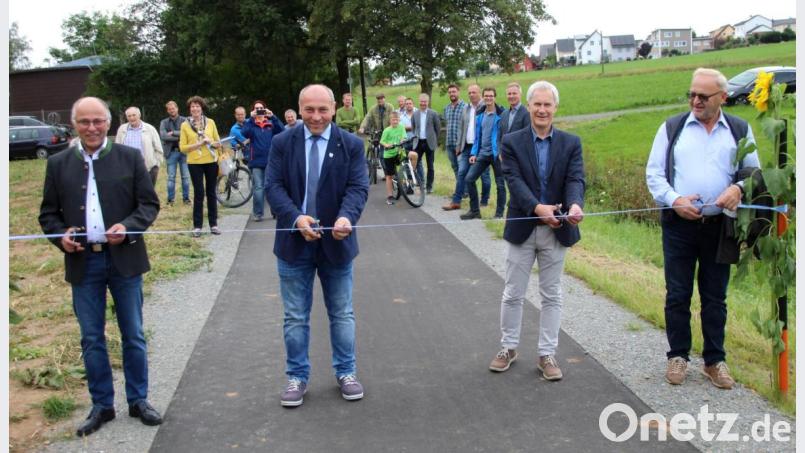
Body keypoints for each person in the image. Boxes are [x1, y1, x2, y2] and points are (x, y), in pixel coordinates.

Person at [39, 96, 162, 437]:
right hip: (83, 261)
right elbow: (48, 214)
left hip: (124, 260)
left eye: (97, 121)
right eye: (84, 122)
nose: (91, 128)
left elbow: (149, 205)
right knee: (92, 338)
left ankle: (138, 400)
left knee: (133, 335)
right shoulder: (58, 163)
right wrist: (58, 236)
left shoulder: (129, 157)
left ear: (109, 123)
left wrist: (129, 226)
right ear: (74, 124)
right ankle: (102, 405)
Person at [645, 68, 760, 390]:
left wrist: (738, 188)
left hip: (720, 227)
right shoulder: (673, 128)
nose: (695, 100)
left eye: (703, 96)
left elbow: (753, 171)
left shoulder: (738, 129)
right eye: (692, 94)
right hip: (679, 226)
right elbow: (655, 175)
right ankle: (678, 356)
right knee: (678, 294)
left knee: (715, 297)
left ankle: (714, 360)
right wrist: (675, 200)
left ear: (722, 98)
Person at [266, 84, 369, 407]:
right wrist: (296, 218)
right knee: (295, 316)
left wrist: (346, 218)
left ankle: (346, 372)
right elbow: (273, 186)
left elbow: (358, 187)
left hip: (336, 244)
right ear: (299, 108)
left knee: (341, 313)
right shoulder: (283, 142)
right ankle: (296, 377)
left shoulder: (351, 144)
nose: (316, 117)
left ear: (334, 108)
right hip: (294, 244)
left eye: (322, 110)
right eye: (309, 110)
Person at [490, 81, 585, 381]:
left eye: (547, 104)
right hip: (523, 227)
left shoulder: (571, 143)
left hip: (557, 229)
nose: (542, 110)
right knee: (513, 293)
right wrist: (538, 209)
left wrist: (574, 205)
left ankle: (547, 354)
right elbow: (513, 182)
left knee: (552, 294)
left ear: (555, 108)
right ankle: (508, 348)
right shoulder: (512, 141)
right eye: (537, 104)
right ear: (529, 107)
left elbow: (575, 179)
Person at [179, 95, 224, 237]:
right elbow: (182, 147)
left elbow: (218, 143)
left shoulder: (210, 122)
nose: (195, 109)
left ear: (201, 107)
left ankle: (214, 224)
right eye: (192, 106)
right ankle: (197, 226)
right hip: (194, 163)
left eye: (197, 106)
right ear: (189, 109)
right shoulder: (185, 125)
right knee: (199, 193)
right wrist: (198, 144)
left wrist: (210, 141)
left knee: (211, 193)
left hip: (211, 161)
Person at [459, 87, 507, 220]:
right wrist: (474, 153)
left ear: (495, 97)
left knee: (500, 184)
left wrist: (503, 151)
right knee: (469, 179)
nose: (488, 98)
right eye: (486, 96)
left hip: (497, 155)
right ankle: (475, 211)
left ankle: (499, 214)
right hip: (483, 154)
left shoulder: (502, 114)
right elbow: (477, 137)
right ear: (483, 97)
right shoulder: (480, 114)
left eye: (491, 96)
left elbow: (505, 135)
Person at [445, 83, 491, 211]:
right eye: (469, 93)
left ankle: (484, 200)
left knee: (484, 175)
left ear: (480, 93)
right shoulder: (466, 108)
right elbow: (461, 128)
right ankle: (456, 201)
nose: (471, 95)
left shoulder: (486, 107)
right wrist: (459, 146)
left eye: (474, 92)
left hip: (481, 147)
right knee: (461, 173)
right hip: (466, 147)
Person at [241, 100, 285, 222]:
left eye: (261, 108)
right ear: (253, 110)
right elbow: (244, 133)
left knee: (271, 187)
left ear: (265, 109)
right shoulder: (251, 123)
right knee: (258, 188)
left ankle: (275, 212)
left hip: (271, 161)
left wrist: (273, 116)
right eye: (257, 108)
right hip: (256, 161)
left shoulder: (270, 122)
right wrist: (251, 118)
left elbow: (282, 131)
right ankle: (258, 213)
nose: (259, 110)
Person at [115, 106, 163, 186]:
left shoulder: (150, 129)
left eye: (134, 115)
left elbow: (158, 149)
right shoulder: (122, 129)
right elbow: (117, 149)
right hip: (127, 169)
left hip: (147, 168)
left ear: (139, 115)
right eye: (129, 116)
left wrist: (155, 165)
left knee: (147, 195)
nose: (132, 118)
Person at [380, 110, 417, 205]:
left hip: (399, 152)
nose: (395, 121)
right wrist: (387, 145)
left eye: (397, 120)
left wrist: (403, 140)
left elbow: (403, 137)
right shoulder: (387, 130)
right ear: (390, 120)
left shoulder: (401, 128)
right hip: (389, 155)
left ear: (399, 120)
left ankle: (411, 173)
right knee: (389, 176)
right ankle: (390, 195)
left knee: (414, 155)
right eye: (393, 120)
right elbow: (382, 141)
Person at [160, 101, 190, 205]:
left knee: (185, 177)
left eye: (173, 108)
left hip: (184, 152)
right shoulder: (163, 122)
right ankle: (170, 200)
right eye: (169, 109)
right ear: (167, 110)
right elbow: (163, 136)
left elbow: (188, 134)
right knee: (171, 178)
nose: (172, 110)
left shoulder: (185, 120)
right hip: (171, 153)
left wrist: (173, 133)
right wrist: (180, 135)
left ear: (177, 108)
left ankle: (186, 199)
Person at [410, 93, 441, 193]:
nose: (423, 103)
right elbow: (413, 127)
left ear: (428, 102)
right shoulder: (415, 114)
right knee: (414, 163)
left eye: (425, 102)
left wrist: (434, 139)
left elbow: (438, 128)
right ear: (419, 102)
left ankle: (429, 186)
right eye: (421, 102)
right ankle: (420, 183)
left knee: (430, 166)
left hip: (429, 143)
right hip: (418, 142)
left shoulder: (433, 113)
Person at [442, 83, 466, 209]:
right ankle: (461, 191)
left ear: (458, 92)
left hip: (460, 144)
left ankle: (462, 192)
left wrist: (461, 144)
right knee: (455, 168)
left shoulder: (465, 107)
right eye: (450, 92)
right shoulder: (447, 108)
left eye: (454, 91)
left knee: (462, 169)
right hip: (449, 143)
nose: (452, 94)